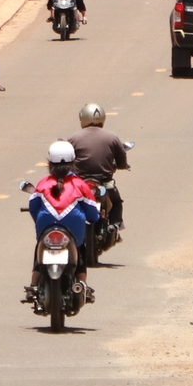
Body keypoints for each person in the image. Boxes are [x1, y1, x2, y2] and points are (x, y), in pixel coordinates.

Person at [27, 140, 101, 299]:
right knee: (80, 250)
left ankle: (34, 285)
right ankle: (82, 286)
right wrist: (93, 218)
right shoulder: (80, 185)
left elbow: (33, 208)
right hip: (74, 231)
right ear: (73, 162)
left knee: (40, 245)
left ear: (49, 163)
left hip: (46, 227)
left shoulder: (42, 184)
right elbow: (93, 214)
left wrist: (41, 222)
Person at [68, 102, 128, 230]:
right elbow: (122, 160)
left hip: (80, 182)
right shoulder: (112, 137)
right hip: (104, 182)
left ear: (83, 118)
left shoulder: (73, 138)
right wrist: (123, 166)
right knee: (116, 202)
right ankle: (115, 225)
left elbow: (67, 160)